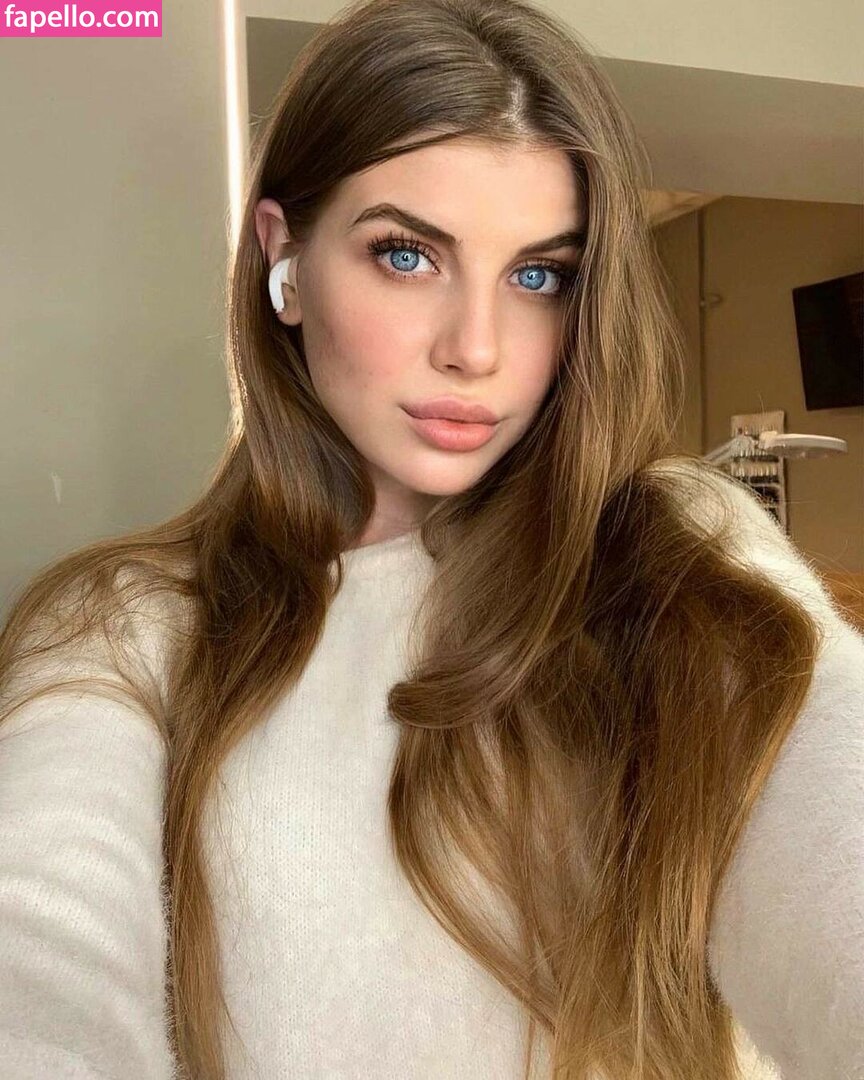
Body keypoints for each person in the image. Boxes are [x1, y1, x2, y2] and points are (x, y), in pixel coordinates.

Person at [1, 0, 862, 1077]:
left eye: (539, 275)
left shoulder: (670, 552)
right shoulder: (126, 626)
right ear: (284, 259)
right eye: (407, 256)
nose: (478, 349)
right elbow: (41, 949)